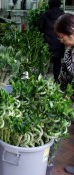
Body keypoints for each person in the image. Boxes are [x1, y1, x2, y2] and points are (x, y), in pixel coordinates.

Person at [54, 13, 74, 174]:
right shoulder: (69, 51)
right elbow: (64, 76)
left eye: (62, 37)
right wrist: (58, 94)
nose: (61, 41)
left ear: (72, 31)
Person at [39, 0, 65, 82]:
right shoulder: (63, 15)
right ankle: (56, 80)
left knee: (44, 61)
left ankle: (41, 81)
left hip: (47, 42)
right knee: (57, 62)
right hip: (58, 42)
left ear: (49, 4)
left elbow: (40, 28)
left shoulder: (44, 15)